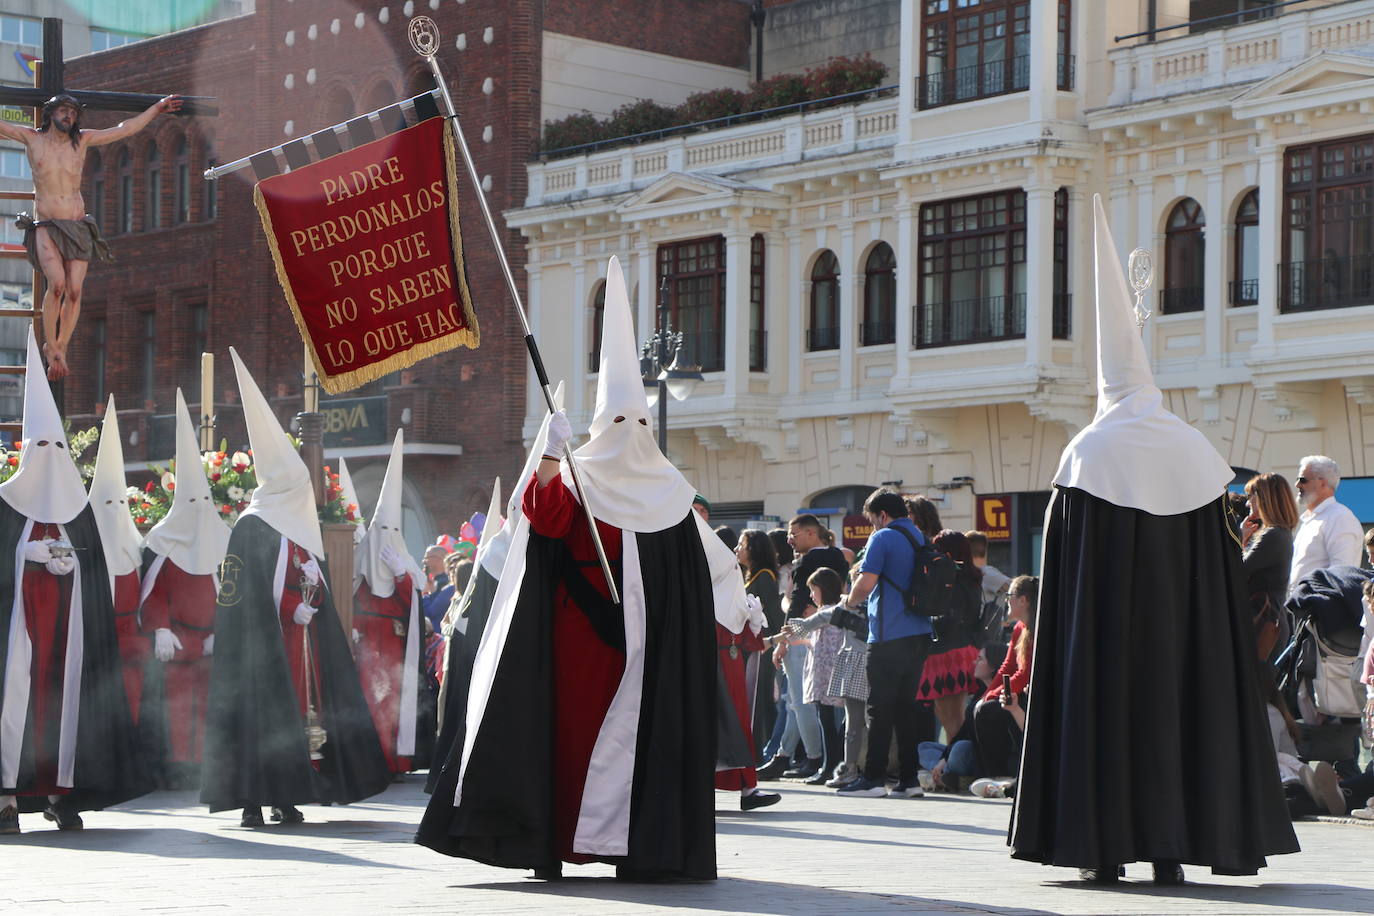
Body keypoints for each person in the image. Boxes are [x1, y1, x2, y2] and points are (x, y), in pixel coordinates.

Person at [416, 256, 753, 881]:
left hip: (649, 653)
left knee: (642, 748)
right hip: (579, 646)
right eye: (619, 421)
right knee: (571, 744)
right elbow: (541, 519)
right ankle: (555, 843)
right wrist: (548, 450)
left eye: (641, 421)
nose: (631, 432)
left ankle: (639, 849)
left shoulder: (670, 488)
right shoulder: (578, 472)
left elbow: (705, 566)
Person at [1010, 196, 1297, 883]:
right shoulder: (1193, 450)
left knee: (1107, 721)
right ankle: (1174, 850)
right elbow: (1226, 565)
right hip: (1182, 644)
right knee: (1177, 722)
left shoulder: (1086, 454)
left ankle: (1101, 851)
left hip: (1106, 642)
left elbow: (1067, 576)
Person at [201, 348, 390, 828]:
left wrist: (312, 597)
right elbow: (241, 591)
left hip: (298, 645)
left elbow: (313, 577)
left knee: (299, 722)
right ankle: (251, 801)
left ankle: (288, 794)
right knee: (259, 722)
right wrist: (289, 604)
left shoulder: (297, 528)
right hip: (260, 649)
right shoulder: (252, 526)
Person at [0, 330, 148, 833]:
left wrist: (71, 564)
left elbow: (95, 566)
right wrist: (24, 554)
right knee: (13, 710)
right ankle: (5, 799)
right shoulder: (3, 505)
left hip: (67, 638)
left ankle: (63, 795)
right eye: (39, 444)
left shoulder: (80, 512)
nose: (49, 453)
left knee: (63, 711)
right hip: (16, 638)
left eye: (55, 445)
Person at [0, 93, 182, 380]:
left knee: (74, 291)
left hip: (76, 224)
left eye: (72, 112)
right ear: (50, 114)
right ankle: (51, 342)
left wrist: (157, 109)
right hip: (47, 224)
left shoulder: (81, 140)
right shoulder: (32, 139)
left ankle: (60, 347)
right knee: (57, 284)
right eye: (63, 111)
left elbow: (125, 129)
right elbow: (2, 127)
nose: (68, 116)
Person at [139, 390, 232, 785]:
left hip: (208, 644)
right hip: (175, 643)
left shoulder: (222, 543)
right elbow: (152, 590)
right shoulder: (163, 544)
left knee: (207, 708)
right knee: (174, 709)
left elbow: (229, 594)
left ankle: (203, 765)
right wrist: (159, 628)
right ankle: (175, 767)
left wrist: (219, 633)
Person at [836, 487, 933, 799]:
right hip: (919, 633)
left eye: (872, 519)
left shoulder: (882, 538)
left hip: (888, 633)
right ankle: (909, 780)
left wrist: (848, 601)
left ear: (882, 514)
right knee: (906, 709)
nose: (872, 526)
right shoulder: (918, 536)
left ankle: (873, 778)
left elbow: (866, 583)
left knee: (878, 709)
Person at [352, 430, 426, 777]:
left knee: (393, 701)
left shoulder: (403, 562)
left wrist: (401, 575)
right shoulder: (360, 561)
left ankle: (394, 760)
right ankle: (373, 759)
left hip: (394, 645)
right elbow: (347, 594)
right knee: (370, 701)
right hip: (366, 642)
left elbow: (413, 602)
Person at [758, 514, 848, 780]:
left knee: (802, 702)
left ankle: (814, 758)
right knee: (805, 703)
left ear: (811, 533)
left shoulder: (809, 560)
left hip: (803, 635)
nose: (789, 540)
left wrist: (782, 641)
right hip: (828, 632)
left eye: (793, 534)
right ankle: (788, 756)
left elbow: (797, 601)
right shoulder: (839, 557)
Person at [86, 397, 148, 726]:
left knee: (131, 711)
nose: (114, 509)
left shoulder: (139, 551)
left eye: (120, 502)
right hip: (94, 649)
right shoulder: (83, 554)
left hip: (130, 654)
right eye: (107, 502)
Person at [969, 575, 1038, 798]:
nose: (1006, 600)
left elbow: (1025, 673)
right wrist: (989, 694)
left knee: (989, 711)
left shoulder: (1035, 630)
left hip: (1029, 695)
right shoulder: (1019, 628)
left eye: (1010, 596)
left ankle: (1007, 773)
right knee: (982, 708)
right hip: (1017, 692)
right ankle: (996, 774)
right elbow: (1008, 666)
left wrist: (999, 694)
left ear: (1023, 601)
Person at [920, 530, 983, 742]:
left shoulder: (951, 579)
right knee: (951, 714)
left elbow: (949, 618)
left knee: (950, 716)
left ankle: (956, 764)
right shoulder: (972, 577)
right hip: (964, 648)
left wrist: (925, 620)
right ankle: (954, 761)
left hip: (946, 653)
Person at [1241, 473, 1299, 660]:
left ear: (1264, 498)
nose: (1248, 503)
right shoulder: (1278, 534)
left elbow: (1237, 571)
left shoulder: (1272, 535)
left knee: (1257, 687)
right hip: (1267, 623)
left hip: (1262, 625)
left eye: (1251, 496)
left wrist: (1239, 540)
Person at [736, 529, 783, 752]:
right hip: (753, 645)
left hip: (763, 646)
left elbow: (773, 614)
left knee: (762, 699)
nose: (737, 550)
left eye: (741, 545)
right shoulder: (751, 575)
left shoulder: (764, 576)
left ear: (753, 549)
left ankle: (764, 750)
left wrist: (773, 642)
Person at [1290, 456, 1364, 593]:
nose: (1297, 485)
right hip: (1302, 608)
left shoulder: (1339, 518)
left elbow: (1341, 574)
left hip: (1321, 609)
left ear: (1322, 483)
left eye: (1302, 480)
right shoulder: (1311, 519)